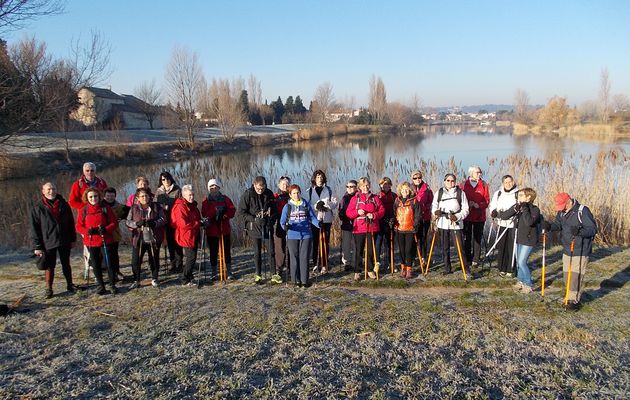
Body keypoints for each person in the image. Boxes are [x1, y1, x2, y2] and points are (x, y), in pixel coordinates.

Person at [541, 192, 597, 311]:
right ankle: (569, 296)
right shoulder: (562, 212)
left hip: (581, 249)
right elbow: (558, 224)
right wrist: (549, 227)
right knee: (567, 274)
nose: (561, 209)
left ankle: (574, 300)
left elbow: (592, 229)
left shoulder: (582, 211)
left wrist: (580, 232)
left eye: (563, 206)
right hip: (567, 247)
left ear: (569, 201)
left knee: (576, 275)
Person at [30, 182, 78, 298]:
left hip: (64, 238)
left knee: (66, 264)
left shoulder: (64, 204)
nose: (51, 191)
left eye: (53, 188)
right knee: (49, 266)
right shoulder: (38, 207)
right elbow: (34, 228)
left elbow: (71, 222)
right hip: (48, 241)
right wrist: (37, 246)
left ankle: (70, 284)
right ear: (43, 191)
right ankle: (49, 289)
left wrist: (73, 238)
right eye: (49, 189)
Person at [75, 188, 118, 295]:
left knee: (109, 263)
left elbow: (114, 222)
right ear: (87, 198)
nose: (93, 198)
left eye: (95, 196)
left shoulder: (105, 208)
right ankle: (101, 285)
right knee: (95, 264)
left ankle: (112, 284)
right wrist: (87, 231)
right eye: (91, 197)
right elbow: (78, 226)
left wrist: (106, 229)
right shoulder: (83, 210)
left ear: (99, 197)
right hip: (91, 241)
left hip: (105, 240)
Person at [502, 188, 541, 294]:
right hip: (519, 238)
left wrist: (525, 208)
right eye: (518, 195)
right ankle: (520, 281)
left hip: (529, 240)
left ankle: (528, 284)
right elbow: (505, 216)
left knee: (522, 262)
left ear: (529, 197)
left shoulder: (534, 209)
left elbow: (529, 222)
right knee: (518, 262)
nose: (519, 197)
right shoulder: (519, 208)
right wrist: (515, 208)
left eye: (521, 195)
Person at [126, 188, 167, 288]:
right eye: (142, 196)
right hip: (139, 238)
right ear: (138, 198)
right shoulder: (134, 208)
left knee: (153, 258)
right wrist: (136, 224)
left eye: (146, 196)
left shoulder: (156, 206)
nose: (145, 198)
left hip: (153, 238)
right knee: (136, 260)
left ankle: (154, 278)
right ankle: (136, 279)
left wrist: (154, 223)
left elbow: (163, 219)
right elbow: (127, 221)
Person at [280, 184, 320, 287]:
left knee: (304, 257)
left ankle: (304, 280)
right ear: (290, 195)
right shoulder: (287, 207)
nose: (296, 195)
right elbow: (282, 221)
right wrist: (285, 227)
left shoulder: (305, 204)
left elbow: (312, 218)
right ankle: (295, 280)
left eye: (298, 192)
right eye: (294, 193)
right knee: (294, 258)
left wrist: (319, 224)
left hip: (306, 235)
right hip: (292, 235)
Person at [239, 176, 277, 283]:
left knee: (271, 251)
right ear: (254, 184)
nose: (260, 190)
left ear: (265, 185)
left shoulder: (269, 193)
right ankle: (258, 274)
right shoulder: (248, 194)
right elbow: (241, 213)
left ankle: (274, 274)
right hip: (254, 227)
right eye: (258, 188)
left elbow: (274, 210)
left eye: (262, 188)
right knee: (257, 252)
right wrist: (254, 219)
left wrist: (271, 220)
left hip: (267, 226)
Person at [431, 173, 471, 276]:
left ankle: (465, 269)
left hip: (455, 222)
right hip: (443, 222)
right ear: (445, 181)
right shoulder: (439, 192)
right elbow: (434, 205)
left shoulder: (460, 193)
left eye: (452, 180)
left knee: (460, 247)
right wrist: (436, 212)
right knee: (445, 247)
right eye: (448, 180)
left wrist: (457, 216)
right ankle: (447, 268)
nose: (450, 182)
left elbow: (466, 209)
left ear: (455, 182)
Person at [346, 177, 385, 280]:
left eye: (367, 185)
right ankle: (357, 271)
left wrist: (374, 215)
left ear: (370, 185)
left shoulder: (375, 198)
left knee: (371, 250)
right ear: (359, 187)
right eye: (363, 185)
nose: (365, 187)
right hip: (359, 228)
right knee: (358, 250)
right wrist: (357, 212)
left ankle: (370, 269)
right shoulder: (355, 198)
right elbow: (348, 213)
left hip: (372, 227)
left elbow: (382, 210)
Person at [201, 178, 237, 281]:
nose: (214, 189)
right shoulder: (206, 201)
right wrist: (215, 213)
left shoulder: (225, 199)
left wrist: (224, 215)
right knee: (213, 252)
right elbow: (204, 213)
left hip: (224, 229)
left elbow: (232, 210)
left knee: (226, 251)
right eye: (212, 187)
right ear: (209, 189)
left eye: (216, 187)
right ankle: (214, 273)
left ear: (219, 187)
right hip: (212, 231)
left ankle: (229, 272)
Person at [306, 170, 337, 274]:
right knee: (315, 242)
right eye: (318, 177)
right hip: (315, 220)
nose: (320, 179)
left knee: (325, 241)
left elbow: (334, 203)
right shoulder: (310, 190)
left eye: (321, 177)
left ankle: (324, 263)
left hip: (326, 219)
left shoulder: (328, 189)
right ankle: (315, 263)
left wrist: (326, 206)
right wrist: (316, 206)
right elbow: (308, 205)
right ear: (314, 179)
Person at [170, 185, 202, 286]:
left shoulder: (192, 205)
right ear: (184, 195)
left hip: (193, 234)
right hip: (186, 235)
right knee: (191, 258)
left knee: (193, 257)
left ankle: (190, 276)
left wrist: (201, 222)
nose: (192, 197)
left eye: (192, 195)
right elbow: (183, 224)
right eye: (189, 195)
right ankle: (184, 278)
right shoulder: (180, 206)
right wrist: (198, 223)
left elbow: (196, 217)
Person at [488, 175, 519, 277]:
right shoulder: (498, 193)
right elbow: (493, 205)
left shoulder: (517, 193)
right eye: (506, 182)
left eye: (510, 182)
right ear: (503, 183)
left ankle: (511, 269)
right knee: (502, 246)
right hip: (501, 223)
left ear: (513, 182)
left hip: (513, 224)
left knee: (511, 246)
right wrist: (493, 212)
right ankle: (502, 268)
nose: (508, 184)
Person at [460, 166, 490, 267]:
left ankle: (476, 259)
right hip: (467, 216)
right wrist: (468, 203)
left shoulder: (484, 184)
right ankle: (468, 258)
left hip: (479, 216)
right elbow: (460, 199)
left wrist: (478, 205)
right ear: (471, 173)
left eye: (480, 172)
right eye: (477, 172)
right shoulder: (463, 184)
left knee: (477, 238)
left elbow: (486, 200)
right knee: (467, 238)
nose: (480, 174)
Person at [155, 171, 183, 274]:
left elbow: (181, 204)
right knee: (169, 243)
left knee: (177, 243)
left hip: (175, 220)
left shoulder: (177, 190)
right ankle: (173, 265)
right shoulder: (158, 192)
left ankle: (180, 264)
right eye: (163, 179)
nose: (166, 181)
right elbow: (155, 205)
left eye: (167, 178)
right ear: (161, 181)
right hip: (164, 222)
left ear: (170, 179)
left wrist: (168, 206)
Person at [393, 182, 422, 279]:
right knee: (401, 250)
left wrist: (415, 225)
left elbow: (418, 215)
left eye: (406, 189)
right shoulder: (397, 201)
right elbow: (394, 213)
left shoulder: (414, 201)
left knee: (408, 250)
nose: (404, 191)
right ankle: (403, 268)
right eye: (402, 190)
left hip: (410, 229)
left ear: (409, 190)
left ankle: (409, 269)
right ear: (400, 191)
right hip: (399, 229)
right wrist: (392, 222)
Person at [103, 187, 130, 282]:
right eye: (108, 196)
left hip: (115, 233)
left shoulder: (118, 206)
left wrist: (121, 218)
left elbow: (127, 212)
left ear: (115, 196)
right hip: (103, 234)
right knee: (106, 255)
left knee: (114, 254)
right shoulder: (100, 205)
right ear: (104, 196)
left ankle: (117, 272)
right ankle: (109, 274)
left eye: (112, 196)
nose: (110, 198)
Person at [410, 170, 433, 266]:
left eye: (419, 177)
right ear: (412, 179)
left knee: (423, 237)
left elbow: (431, 202)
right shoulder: (409, 189)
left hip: (424, 216)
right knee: (414, 237)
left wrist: (422, 208)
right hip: (413, 217)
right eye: (415, 178)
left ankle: (423, 257)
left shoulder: (427, 189)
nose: (417, 180)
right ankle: (414, 257)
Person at [376, 177, 397, 272]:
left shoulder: (394, 196)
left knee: (390, 243)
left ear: (390, 185)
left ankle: (391, 263)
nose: (386, 186)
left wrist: (394, 219)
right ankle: (377, 263)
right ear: (380, 185)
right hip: (380, 222)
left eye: (388, 184)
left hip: (391, 222)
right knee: (378, 243)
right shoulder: (377, 196)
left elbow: (398, 209)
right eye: (384, 184)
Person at [272, 176, 291, 283]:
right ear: (279, 185)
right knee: (279, 247)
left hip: (291, 223)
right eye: (283, 184)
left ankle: (290, 267)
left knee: (290, 245)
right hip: (278, 223)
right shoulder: (275, 196)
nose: (285, 186)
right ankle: (279, 268)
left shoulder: (292, 195)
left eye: (287, 184)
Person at [338, 179, 358, 271]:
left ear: (356, 187)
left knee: (356, 244)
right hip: (346, 225)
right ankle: (347, 262)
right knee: (346, 245)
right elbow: (340, 211)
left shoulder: (359, 197)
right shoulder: (344, 198)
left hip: (357, 225)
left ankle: (355, 262)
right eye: (347, 187)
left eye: (351, 186)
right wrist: (344, 216)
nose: (349, 188)